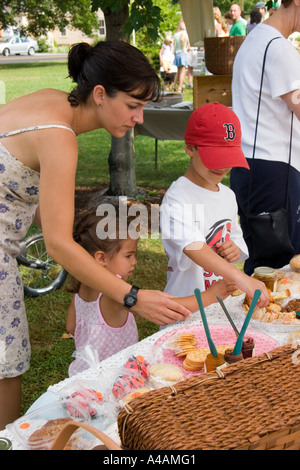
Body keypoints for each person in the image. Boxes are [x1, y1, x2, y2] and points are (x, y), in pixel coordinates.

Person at [0, 40, 192, 429]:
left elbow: (23, 189)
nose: (139, 118)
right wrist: (132, 296)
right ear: (101, 94)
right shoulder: (59, 135)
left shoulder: (54, 103)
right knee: (7, 365)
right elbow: (57, 244)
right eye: (134, 105)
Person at [66, 210, 236, 375]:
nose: (135, 261)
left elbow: (71, 327)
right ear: (101, 258)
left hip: (82, 371)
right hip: (111, 375)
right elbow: (169, 307)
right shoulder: (113, 295)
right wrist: (212, 295)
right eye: (128, 256)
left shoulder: (83, 286)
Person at [160, 103, 270, 306]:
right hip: (186, 307)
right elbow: (193, 247)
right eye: (216, 157)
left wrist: (234, 249)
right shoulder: (177, 197)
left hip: (221, 304)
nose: (223, 165)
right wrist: (241, 277)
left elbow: (234, 236)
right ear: (190, 148)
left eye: (228, 157)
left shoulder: (228, 195)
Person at [231, 0, 300, 275]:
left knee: (264, 267)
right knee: (279, 270)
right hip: (273, 170)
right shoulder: (278, 49)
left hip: (253, 167)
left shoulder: (255, 39)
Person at [173, 19, 190, 93]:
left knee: (178, 71)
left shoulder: (176, 35)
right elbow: (188, 47)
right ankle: (180, 88)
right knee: (183, 71)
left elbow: (174, 45)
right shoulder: (186, 35)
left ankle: (174, 86)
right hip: (183, 53)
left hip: (177, 53)